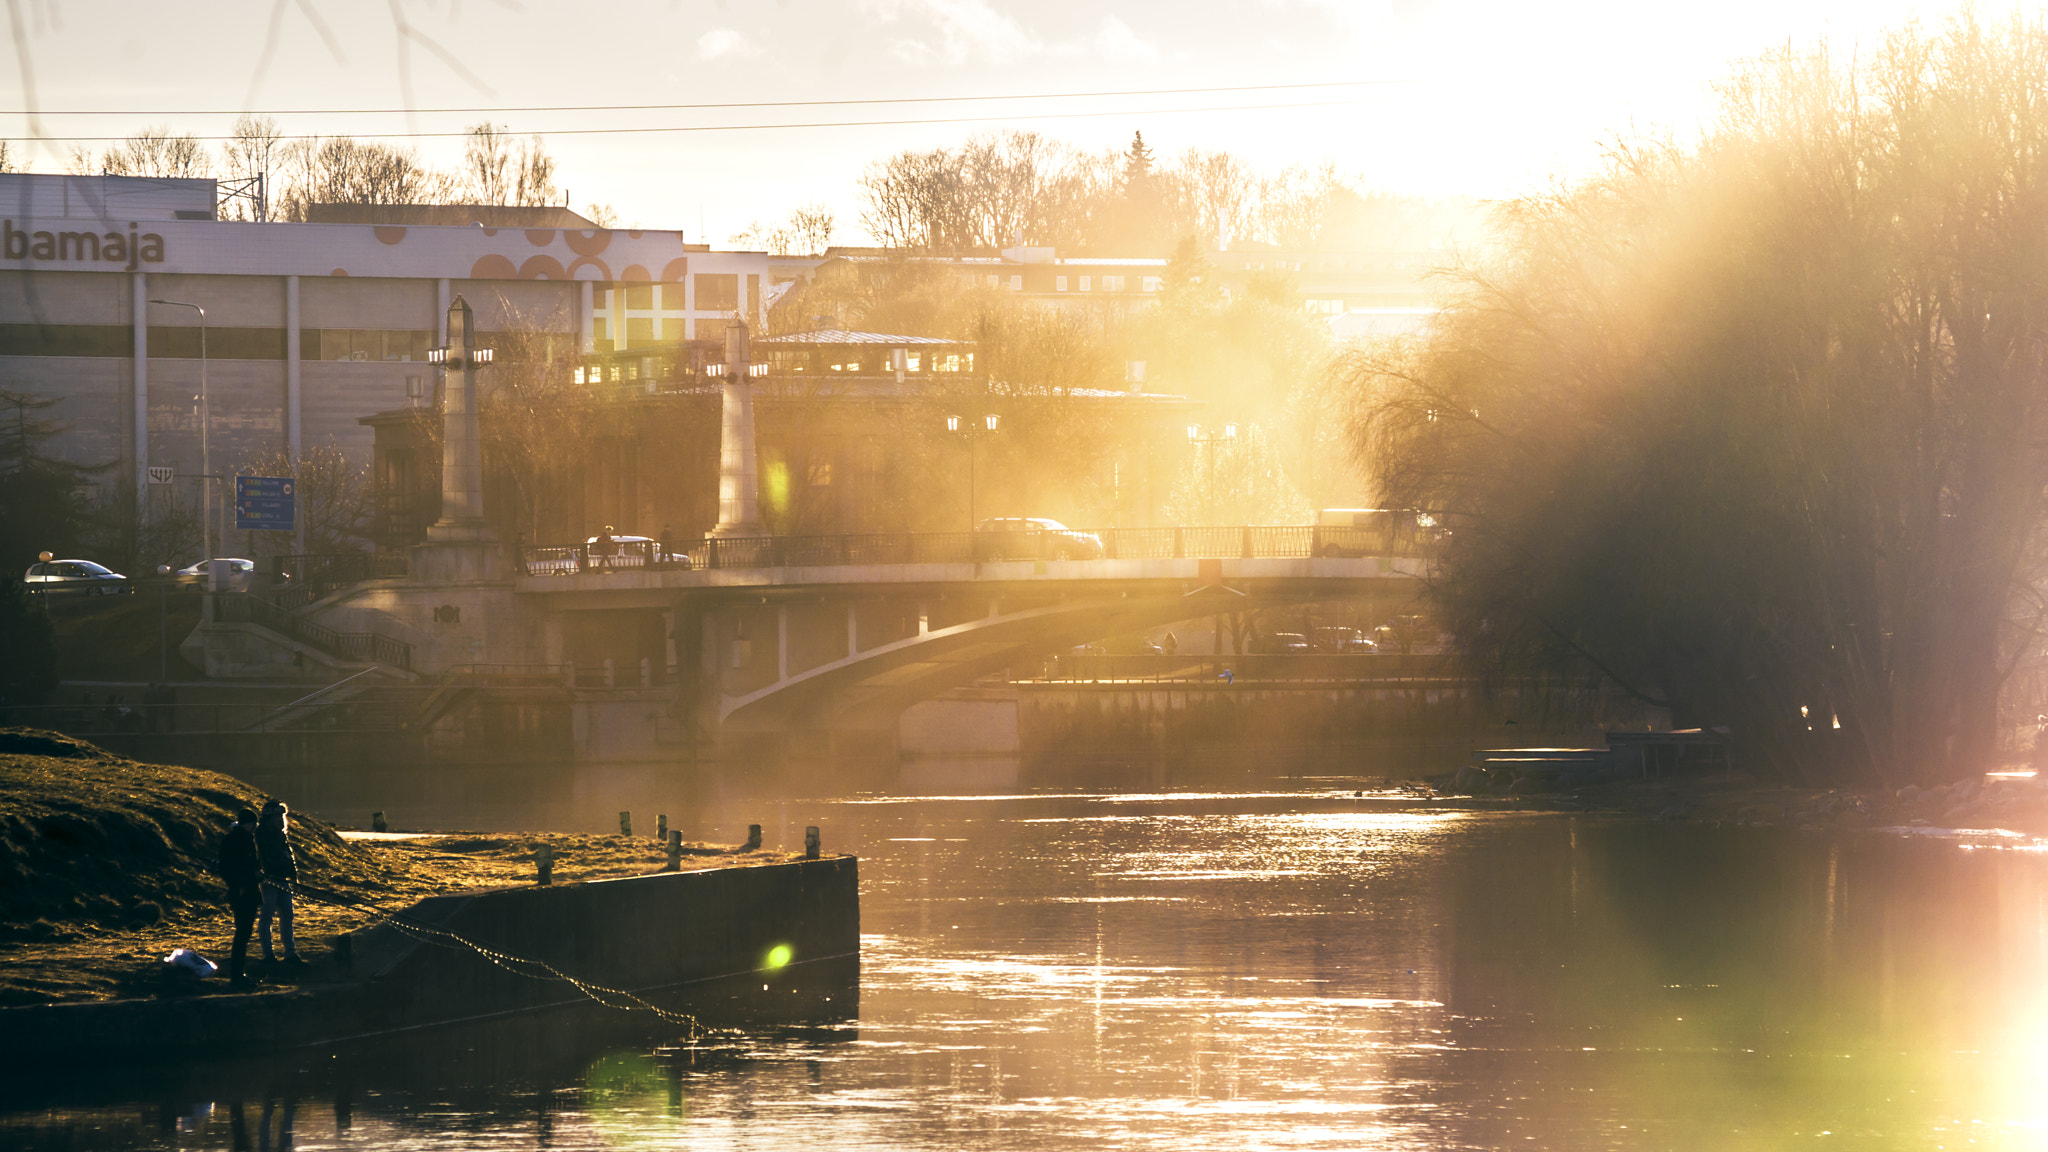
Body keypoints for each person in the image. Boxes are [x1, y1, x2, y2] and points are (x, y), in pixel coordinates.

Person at [218, 808, 263, 986]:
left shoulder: (244, 839)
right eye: (253, 824)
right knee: (242, 933)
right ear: (246, 823)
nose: (254, 827)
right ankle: (237, 975)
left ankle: (238, 973)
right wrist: (242, 885)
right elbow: (230, 869)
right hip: (243, 893)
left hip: (248, 891)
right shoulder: (237, 841)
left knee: (244, 933)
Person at [256, 800, 302, 964]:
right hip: (269, 881)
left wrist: (294, 876)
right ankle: (269, 955)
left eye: (282, 816)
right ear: (269, 818)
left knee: (287, 915)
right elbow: (260, 858)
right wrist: (264, 874)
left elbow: (289, 856)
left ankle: (290, 953)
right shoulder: (260, 835)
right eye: (278, 816)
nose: (281, 820)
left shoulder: (280, 835)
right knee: (267, 917)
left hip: (283, 880)